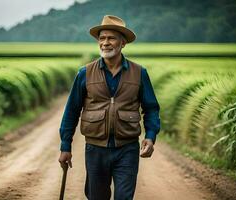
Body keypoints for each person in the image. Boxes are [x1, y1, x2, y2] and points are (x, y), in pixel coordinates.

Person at [58, 15, 160, 200]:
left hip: (127, 149)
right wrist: (66, 146)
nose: (105, 43)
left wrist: (151, 137)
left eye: (111, 38)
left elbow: (151, 108)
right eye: (102, 38)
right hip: (95, 149)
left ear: (123, 43)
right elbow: (71, 111)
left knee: (124, 197)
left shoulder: (139, 73)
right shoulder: (85, 73)